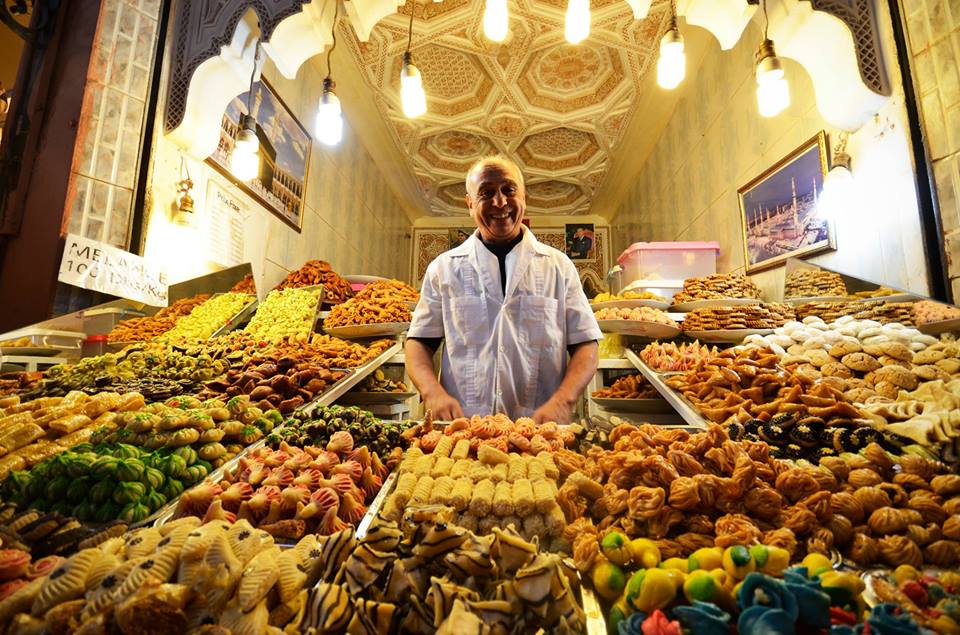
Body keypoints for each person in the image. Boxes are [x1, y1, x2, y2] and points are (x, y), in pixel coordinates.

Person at [405, 155, 602, 423]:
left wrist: (563, 400)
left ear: (524, 196)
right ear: (470, 203)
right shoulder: (443, 269)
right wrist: (432, 393)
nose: (500, 202)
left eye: (508, 190)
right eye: (486, 192)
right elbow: (419, 342)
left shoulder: (558, 266)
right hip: (465, 427)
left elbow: (585, 344)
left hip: (540, 430)